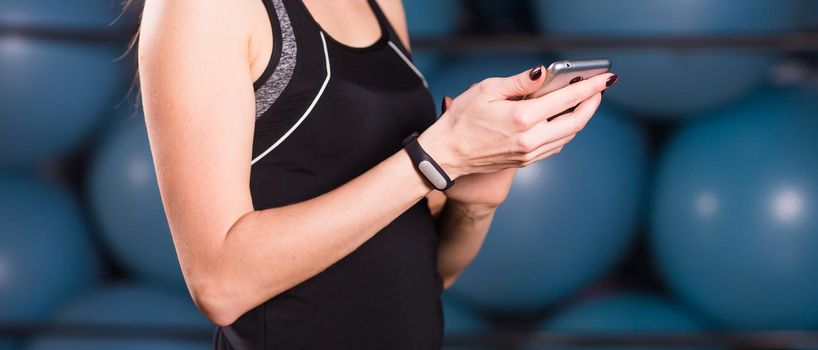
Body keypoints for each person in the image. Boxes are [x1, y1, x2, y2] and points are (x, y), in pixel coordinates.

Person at [135, 0, 618, 348]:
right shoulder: (200, 8)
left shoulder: (381, 4)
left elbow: (424, 275)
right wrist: (438, 156)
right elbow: (221, 284)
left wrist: (474, 201)